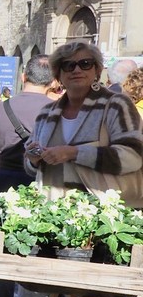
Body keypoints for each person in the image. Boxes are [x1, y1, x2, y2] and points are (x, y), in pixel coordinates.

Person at [26, 42, 143, 206]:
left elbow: (133, 157)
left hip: (104, 215)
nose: (77, 70)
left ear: (97, 70)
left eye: (85, 64)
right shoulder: (46, 113)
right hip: (53, 213)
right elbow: (31, 167)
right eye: (68, 65)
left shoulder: (115, 105)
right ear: (58, 75)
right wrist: (33, 159)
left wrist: (74, 153)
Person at [0, 54, 54, 297]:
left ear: (23, 77)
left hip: (4, 180)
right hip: (41, 183)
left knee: (1, 245)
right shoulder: (58, 110)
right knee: (47, 245)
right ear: (52, 82)